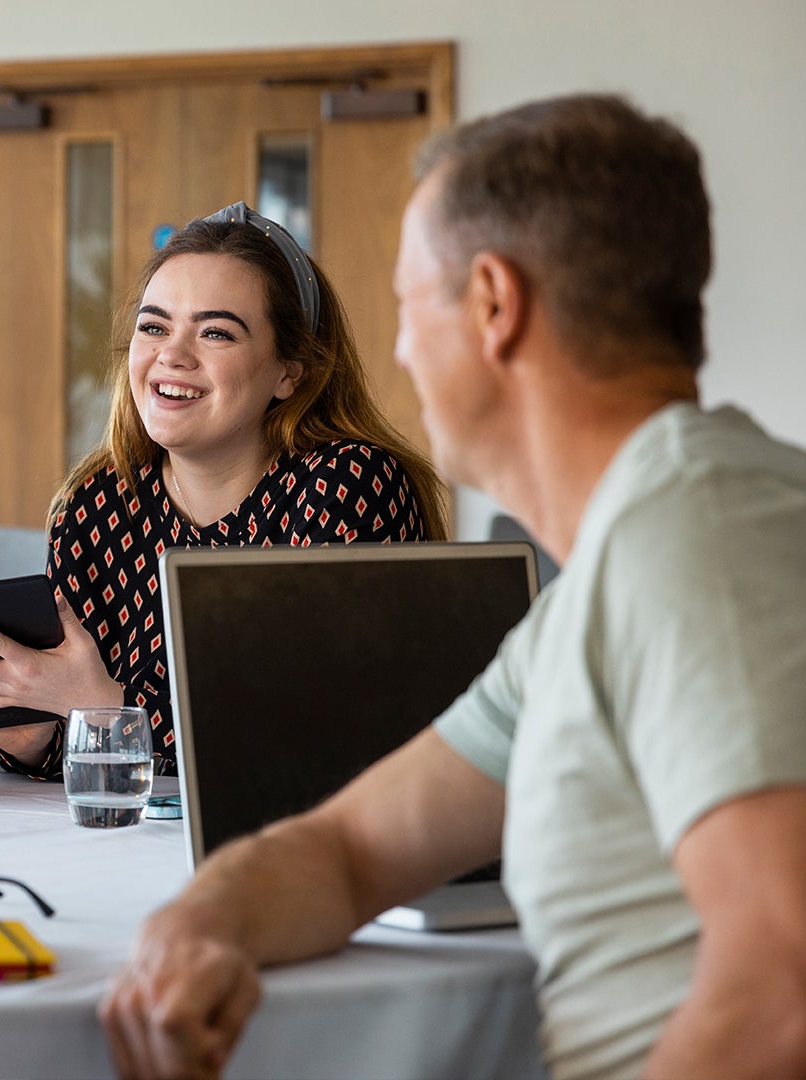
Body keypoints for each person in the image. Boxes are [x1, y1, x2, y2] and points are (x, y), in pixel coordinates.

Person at [98, 94, 806, 1080]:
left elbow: (785, 993)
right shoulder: (604, 586)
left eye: (407, 304)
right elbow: (349, 849)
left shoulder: (700, 536)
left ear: (491, 304)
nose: (395, 352)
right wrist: (203, 921)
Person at [0, 204, 445, 779]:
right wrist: (33, 735)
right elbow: (78, 754)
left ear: (289, 373)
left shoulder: (348, 485)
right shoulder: (95, 505)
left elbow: (324, 741)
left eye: (216, 332)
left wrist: (101, 712)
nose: (171, 354)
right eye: (154, 326)